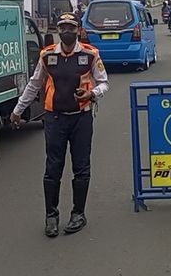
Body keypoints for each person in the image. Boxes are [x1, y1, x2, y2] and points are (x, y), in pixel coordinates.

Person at [10, 12, 110, 238]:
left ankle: (78, 214)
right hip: (54, 118)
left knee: (81, 166)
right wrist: (17, 111)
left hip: (81, 117)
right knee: (53, 167)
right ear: (57, 30)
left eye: (71, 27)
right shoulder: (47, 55)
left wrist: (91, 93)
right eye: (62, 27)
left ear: (78, 30)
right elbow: (34, 85)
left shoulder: (90, 54)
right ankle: (51, 216)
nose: (66, 31)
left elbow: (104, 83)